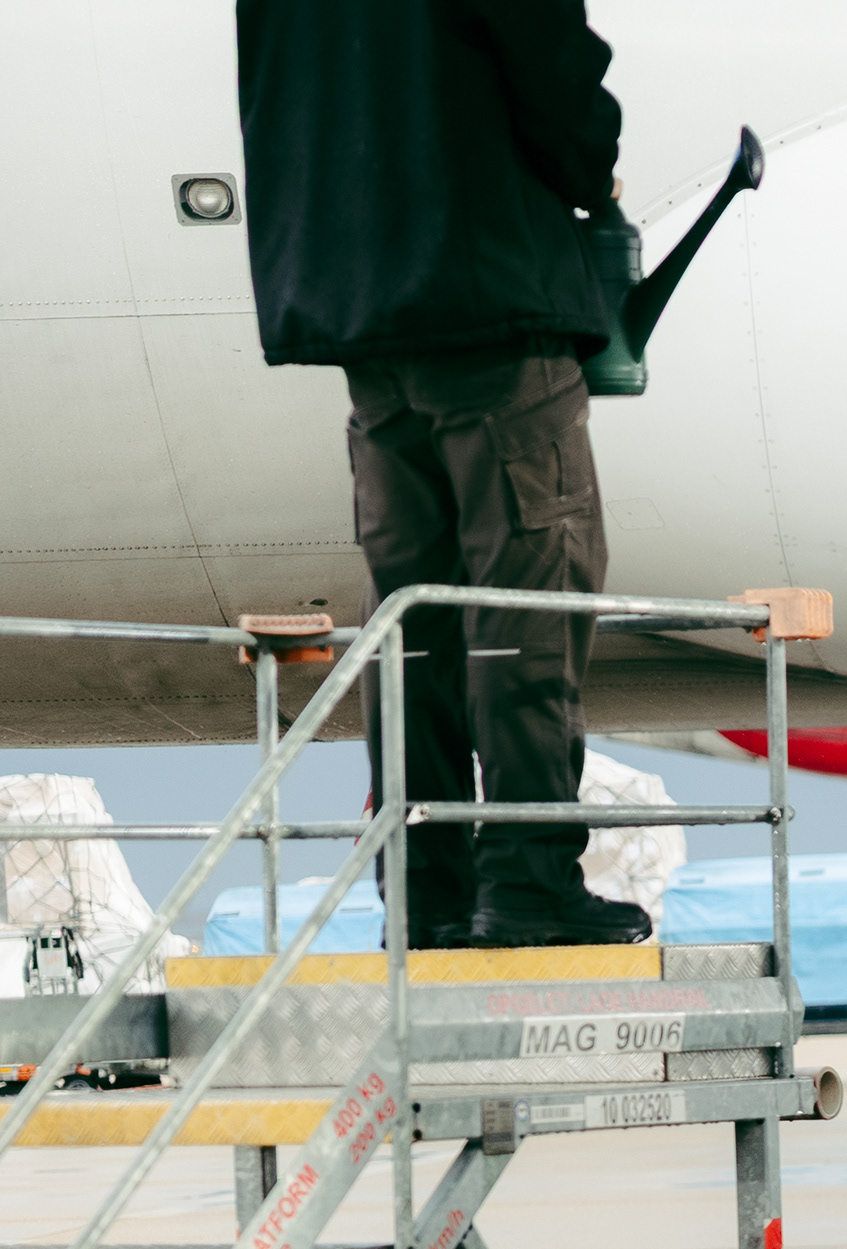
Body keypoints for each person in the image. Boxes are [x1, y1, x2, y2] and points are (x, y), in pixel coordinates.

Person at [234, 0, 644, 949]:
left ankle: (427, 895)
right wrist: (592, 169)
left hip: (356, 304)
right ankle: (529, 884)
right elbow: (552, 62)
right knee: (527, 604)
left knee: (411, 623)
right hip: (487, 284)